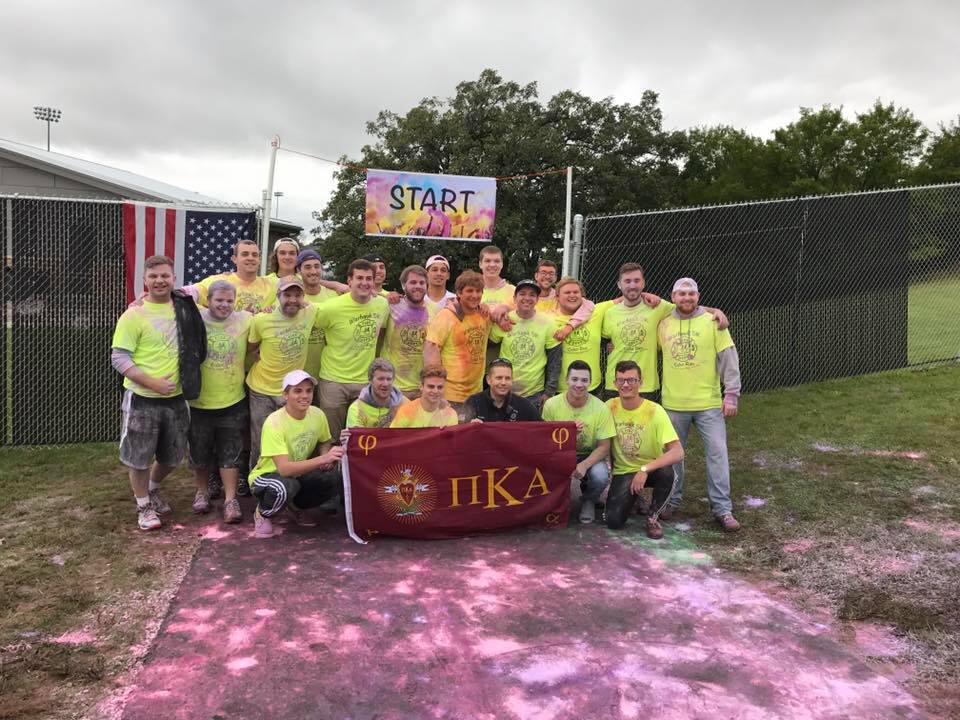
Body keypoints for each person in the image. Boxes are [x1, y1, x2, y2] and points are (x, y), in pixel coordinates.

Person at [111, 255, 189, 531]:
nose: (159, 281)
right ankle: (143, 506)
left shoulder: (184, 309)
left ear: (174, 279)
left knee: (173, 456)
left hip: (177, 398)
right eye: (153, 276)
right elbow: (119, 357)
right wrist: (151, 382)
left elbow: (212, 294)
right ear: (144, 280)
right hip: (142, 398)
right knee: (139, 457)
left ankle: (153, 488)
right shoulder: (133, 315)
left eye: (165, 276)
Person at [658, 277, 742, 532]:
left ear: (698, 297)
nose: (686, 298)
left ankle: (722, 509)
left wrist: (731, 394)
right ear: (673, 297)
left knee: (717, 454)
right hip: (673, 404)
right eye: (681, 294)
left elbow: (728, 358)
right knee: (673, 457)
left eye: (691, 294)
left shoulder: (713, 322)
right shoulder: (663, 323)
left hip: (708, 404)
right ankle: (670, 501)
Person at [248, 370, 345, 538]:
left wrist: (326, 458)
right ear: (285, 395)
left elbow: (324, 440)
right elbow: (284, 469)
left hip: (296, 476)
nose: (305, 396)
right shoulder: (274, 422)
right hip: (266, 476)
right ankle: (262, 512)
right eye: (298, 391)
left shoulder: (317, 414)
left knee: (333, 478)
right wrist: (323, 458)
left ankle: (295, 507)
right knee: (284, 487)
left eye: (309, 391)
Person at [187, 280, 252, 523]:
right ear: (208, 301)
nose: (224, 305)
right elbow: (172, 300)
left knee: (231, 452)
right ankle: (202, 492)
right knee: (199, 452)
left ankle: (230, 500)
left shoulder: (245, 319)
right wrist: (141, 301)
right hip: (200, 401)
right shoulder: (196, 317)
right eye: (219, 300)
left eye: (229, 301)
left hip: (233, 400)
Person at [245, 275, 320, 469]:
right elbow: (251, 346)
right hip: (262, 389)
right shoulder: (262, 319)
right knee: (260, 440)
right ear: (278, 296)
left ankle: (291, 478)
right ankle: (257, 479)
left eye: (297, 295)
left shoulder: (311, 312)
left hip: (293, 390)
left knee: (292, 439)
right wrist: (258, 354)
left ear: (304, 297)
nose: (293, 300)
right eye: (287, 295)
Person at [605, 361, 685, 539]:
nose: (626, 385)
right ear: (615, 383)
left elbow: (678, 452)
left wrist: (644, 469)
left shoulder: (655, 411)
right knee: (613, 521)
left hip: (651, 469)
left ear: (640, 383)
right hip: (624, 471)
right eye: (621, 380)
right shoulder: (609, 407)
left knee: (667, 472)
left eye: (632, 380)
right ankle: (635, 499)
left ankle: (653, 517)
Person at [314, 259, 390, 440]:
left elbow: (382, 331)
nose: (364, 282)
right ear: (349, 281)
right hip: (333, 381)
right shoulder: (330, 307)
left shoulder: (382, 305)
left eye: (369, 278)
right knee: (332, 437)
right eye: (359, 278)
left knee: (361, 438)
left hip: (365, 381)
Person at [542, 360, 616, 524]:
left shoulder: (601, 408)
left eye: (584, 380)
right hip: (560, 453)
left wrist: (584, 465)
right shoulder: (551, 405)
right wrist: (569, 436)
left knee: (601, 476)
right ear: (566, 381)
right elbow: (545, 441)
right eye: (574, 379)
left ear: (590, 382)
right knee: (545, 471)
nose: (579, 384)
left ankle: (589, 500)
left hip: (588, 454)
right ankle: (556, 501)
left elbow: (604, 447)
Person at [423, 270, 494, 416]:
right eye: (469, 291)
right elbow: (431, 354)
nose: (475, 295)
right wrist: (437, 392)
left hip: (476, 393)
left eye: (478, 291)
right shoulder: (446, 317)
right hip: (451, 395)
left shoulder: (484, 315)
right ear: (459, 293)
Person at [488, 279, 561, 409]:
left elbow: (555, 361)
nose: (527, 298)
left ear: (537, 299)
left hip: (534, 394)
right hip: (503, 391)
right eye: (522, 294)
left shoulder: (548, 323)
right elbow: (485, 345)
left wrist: (549, 392)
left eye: (532, 295)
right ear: (514, 298)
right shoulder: (505, 320)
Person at [187, 239, 278, 314]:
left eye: (255, 255)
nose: (250, 258)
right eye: (245, 254)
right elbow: (185, 294)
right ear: (234, 259)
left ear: (259, 259)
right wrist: (208, 314)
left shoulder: (272, 285)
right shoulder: (218, 281)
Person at [381, 265, 432, 398]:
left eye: (422, 283)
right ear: (404, 285)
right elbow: (367, 293)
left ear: (427, 285)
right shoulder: (391, 305)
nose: (418, 286)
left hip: (422, 387)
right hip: (393, 387)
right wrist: (386, 295)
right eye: (413, 282)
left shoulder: (436, 311)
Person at [551, 278, 606, 396]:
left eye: (576, 292)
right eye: (567, 292)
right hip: (560, 389)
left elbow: (624, 299)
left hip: (592, 387)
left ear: (582, 295)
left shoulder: (596, 311)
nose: (572, 295)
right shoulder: (548, 319)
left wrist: (644, 295)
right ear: (557, 297)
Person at [297, 248, 339, 380]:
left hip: (327, 372)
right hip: (297, 372)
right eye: (307, 267)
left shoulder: (334, 295)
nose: (313, 271)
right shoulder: (291, 296)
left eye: (317, 266)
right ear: (299, 270)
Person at [462, 358, 541, 423]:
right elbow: (460, 430)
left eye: (507, 378)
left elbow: (542, 429)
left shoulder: (524, 406)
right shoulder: (473, 402)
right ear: (488, 380)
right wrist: (470, 426)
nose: (503, 383)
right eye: (499, 378)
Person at [345, 358, 408, 428]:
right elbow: (356, 434)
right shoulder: (357, 408)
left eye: (389, 379)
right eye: (381, 379)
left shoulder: (405, 404)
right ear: (370, 380)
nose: (385, 384)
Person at [390, 365, 459, 428]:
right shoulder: (406, 411)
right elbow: (394, 436)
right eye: (431, 386)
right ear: (421, 386)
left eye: (440, 387)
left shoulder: (451, 415)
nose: (435, 391)